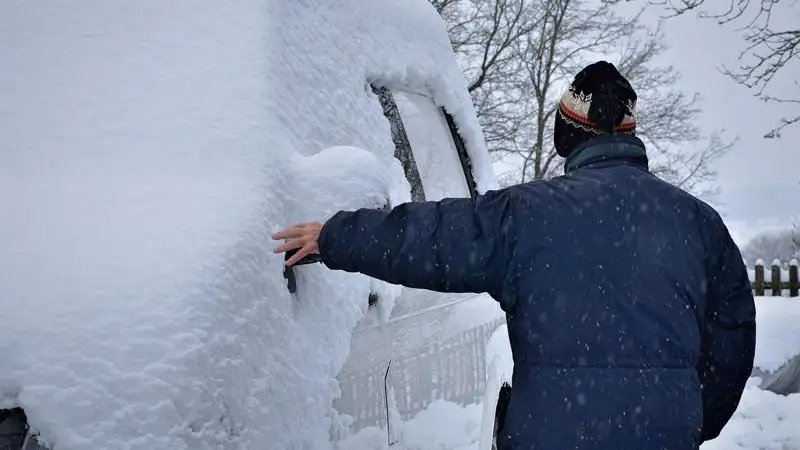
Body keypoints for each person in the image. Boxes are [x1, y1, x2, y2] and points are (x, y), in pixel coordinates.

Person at [272, 61, 756, 450]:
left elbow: (430, 237)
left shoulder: (526, 215)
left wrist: (335, 236)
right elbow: (731, 346)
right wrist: (684, 418)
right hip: (664, 435)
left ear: (567, 134)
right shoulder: (699, 223)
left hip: (550, 435)